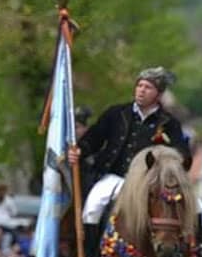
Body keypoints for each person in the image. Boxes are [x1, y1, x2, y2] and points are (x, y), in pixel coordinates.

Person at [75, 67, 190, 233]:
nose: (141, 90)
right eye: (139, 85)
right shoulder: (116, 113)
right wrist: (79, 151)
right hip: (115, 177)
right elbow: (94, 138)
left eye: (148, 87)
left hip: (151, 182)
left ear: (158, 94)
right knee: (92, 208)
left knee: (199, 209)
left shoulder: (170, 123)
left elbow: (181, 152)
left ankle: (200, 252)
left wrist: (179, 162)